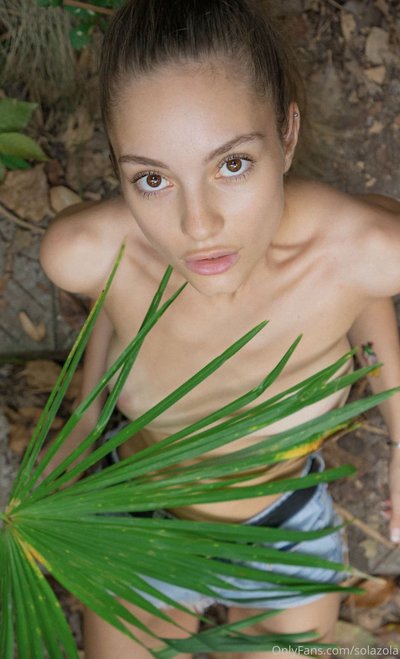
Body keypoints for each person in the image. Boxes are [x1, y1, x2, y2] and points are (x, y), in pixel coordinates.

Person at [39, 1, 400, 657]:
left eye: (231, 164)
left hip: (281, 525)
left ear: (286, 135)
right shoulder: (90, 255)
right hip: (139, 506)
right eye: (152, 178)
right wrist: (86, 420)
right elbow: (114, 314)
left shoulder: (359, 252)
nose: (198, 226)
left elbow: (365, 286)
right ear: (118, 168)